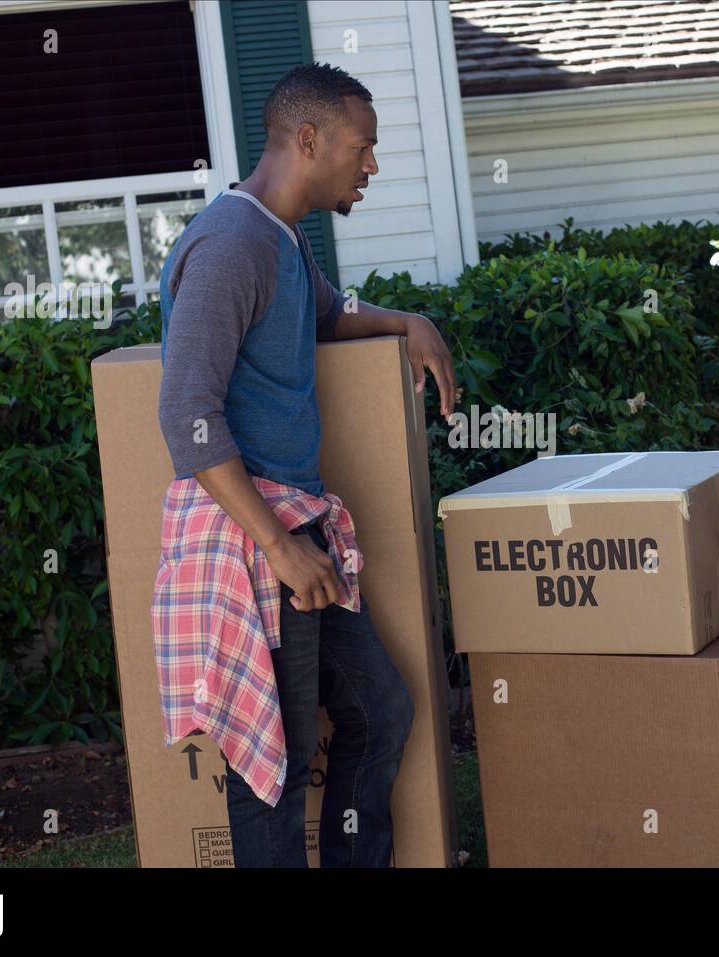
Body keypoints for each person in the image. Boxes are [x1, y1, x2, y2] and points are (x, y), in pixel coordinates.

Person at [153, 62, 456, 867]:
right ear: (310, 139)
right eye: (363, 147)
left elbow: (325, 311)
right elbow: (186, 415)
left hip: (301, 530)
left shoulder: (280, 235)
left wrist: (406, 320)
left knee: (380, 711)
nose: (372, 165)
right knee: (271, 773)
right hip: (255, 540)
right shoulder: (228, 244)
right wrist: (281, 547)